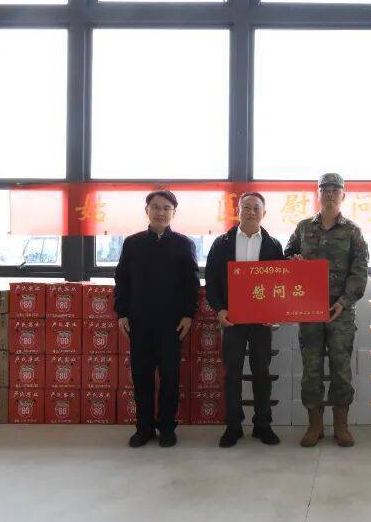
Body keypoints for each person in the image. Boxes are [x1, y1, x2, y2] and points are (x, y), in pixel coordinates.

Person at [285, 173, 369, 448]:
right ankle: (315, 425)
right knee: (311, 368)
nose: (330, 194)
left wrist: (343, 301)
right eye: (325, 189)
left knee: (341, 369)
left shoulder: (353, 231)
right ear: (318, 194)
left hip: (340, 311)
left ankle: (341, 426)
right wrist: (293, 260)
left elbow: (359, 272)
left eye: (335, 189)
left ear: (343, 195)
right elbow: (287, 257)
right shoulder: (303, 228)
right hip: (309, 310)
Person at [114, 190, 199, 448]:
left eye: (166, 208)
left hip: (172, 324)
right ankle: (144, 428)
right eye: (156, 207)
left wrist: (189, 314)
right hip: (139, 322)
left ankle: (167, 428)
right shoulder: (133, 243)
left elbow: (191, 283)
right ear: (147, 210)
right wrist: (122, 313)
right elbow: (122, 280)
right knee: (142, 378)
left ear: (173, 212)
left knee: (170, 379)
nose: (160, 212)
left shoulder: (184, 244)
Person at [205, 192, 286, 448]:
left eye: (256, 208)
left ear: (264, 213)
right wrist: (220, 310)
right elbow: (212, 280)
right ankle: (233, 426)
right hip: (232, 319)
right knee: (232, 374)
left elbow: (280, 283)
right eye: (246, 207)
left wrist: (275, 312)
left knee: (262, 372)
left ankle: (263, 424)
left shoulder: (273, 245)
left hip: (262, 321)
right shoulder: (222, 243)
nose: (251, 212)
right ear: (238, 211)